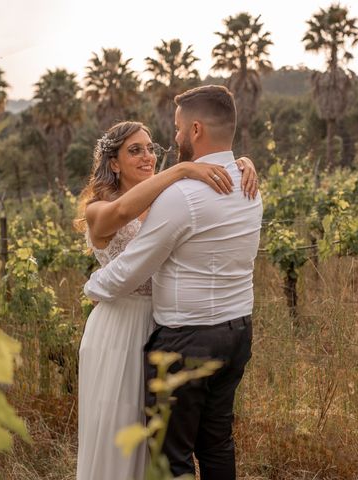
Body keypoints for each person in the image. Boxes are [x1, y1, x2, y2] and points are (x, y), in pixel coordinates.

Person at [84, 85, 263, 480]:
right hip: (135, 330)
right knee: (206, 443)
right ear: (113, 163)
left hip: (176, 334)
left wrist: (91, 288)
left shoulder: (179, 196)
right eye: (136, 150)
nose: (155, 152)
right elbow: (118, 220)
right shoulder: (238, 184)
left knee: (171, 452)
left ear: (196, 129)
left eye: (176, 131)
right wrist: (188, 168)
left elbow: (133, 267)